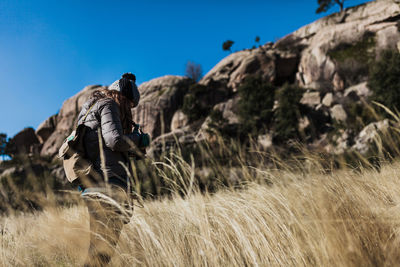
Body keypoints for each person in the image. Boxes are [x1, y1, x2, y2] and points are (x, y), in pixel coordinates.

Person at [75, 72, 142, 266]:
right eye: (129, 104)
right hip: (108, 185)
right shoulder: (109, 104)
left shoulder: (90, 109)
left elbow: (101, 146)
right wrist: (139, 140)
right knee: (101, 253)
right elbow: (114, 141)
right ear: (122, 97)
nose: (129, 110)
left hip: (93, 184)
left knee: (99, 251)